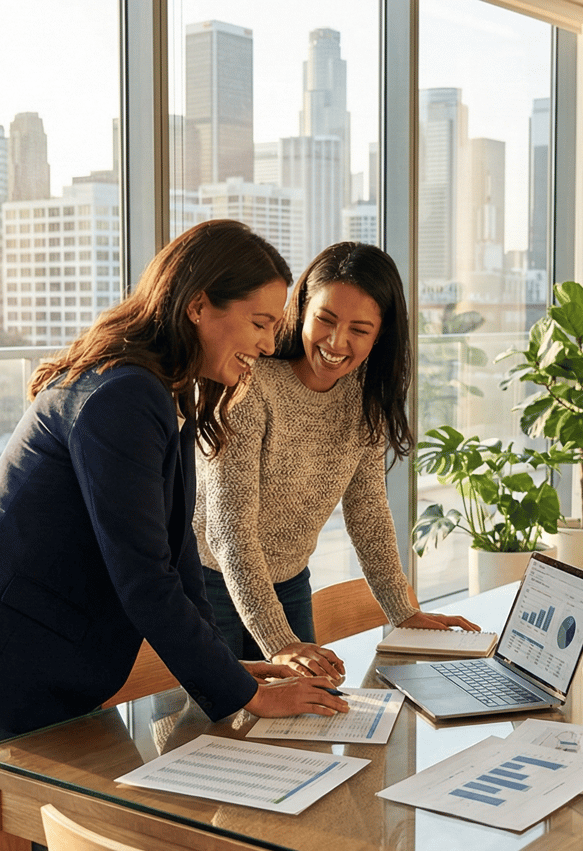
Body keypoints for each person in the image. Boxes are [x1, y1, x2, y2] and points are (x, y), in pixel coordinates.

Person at [0, 220, 347, 851]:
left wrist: (234, 670)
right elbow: (145, 582)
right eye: (257, 321)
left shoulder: (156, 389)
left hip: (52, 679)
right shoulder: (125, 396)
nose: (268, 343)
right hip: (20, 681)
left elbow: (176, 556)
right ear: (198, 307)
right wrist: (242, 697)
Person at [194, 241, 480, 678]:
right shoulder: (250, 386)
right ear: (302, 309)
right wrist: (281, 643)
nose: (336, 341)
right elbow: (229, 531)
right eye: (325, 320)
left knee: (309, 721)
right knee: (212, 733)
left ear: (380, 334)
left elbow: (367, 510)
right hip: (209, 582)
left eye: (359, 330)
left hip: (289, 582)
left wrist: (402, 611)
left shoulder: (365, 396)